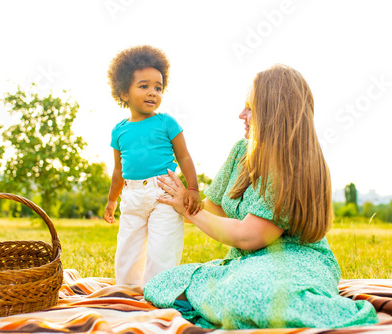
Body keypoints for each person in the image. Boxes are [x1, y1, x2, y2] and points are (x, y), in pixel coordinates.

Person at [144, 64, 379, 329]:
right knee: (161, 283)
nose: (241, 114)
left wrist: (189, 212)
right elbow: (217, 208)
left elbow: (250, 235)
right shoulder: (240, 152)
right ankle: (230, 304)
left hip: (296, 261)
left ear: (273, 113)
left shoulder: (293, 164)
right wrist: (179, 199)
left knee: (249, 291)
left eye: (250, 107)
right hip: (246, 265)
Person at [104, 45, 203, 287]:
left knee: (163, 251)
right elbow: (118, 171)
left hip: (165, 193)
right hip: (132, 195)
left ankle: (159, 294)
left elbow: (185, 157)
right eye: (144, 86)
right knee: (127, 251)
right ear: (124, 93)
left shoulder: (167, 122)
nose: (153, 93)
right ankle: (127, 295)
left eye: (158, 88)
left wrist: (193, 188)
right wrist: (112, 200)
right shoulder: (119, 131)